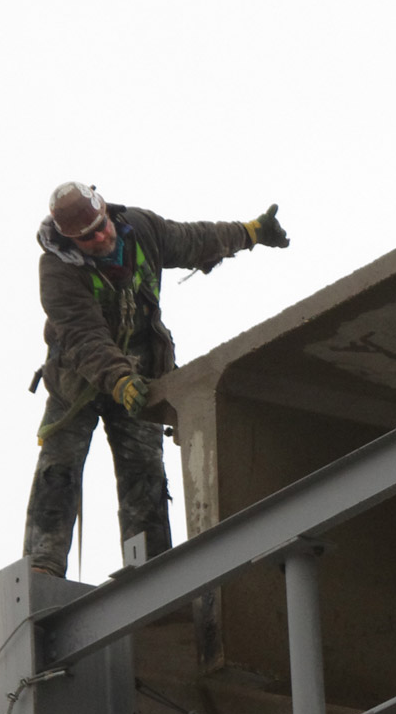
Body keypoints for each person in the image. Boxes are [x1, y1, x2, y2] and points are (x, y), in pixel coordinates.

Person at [24, 182, 287, 576]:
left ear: (106, 211)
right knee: (59, 469)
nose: (101, 236)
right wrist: (118, 380)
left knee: (144, 474)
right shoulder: (58, 270)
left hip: (144, 374)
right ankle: (43, 568)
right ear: (70, 240)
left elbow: (195, 239)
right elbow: (84, 338)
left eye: (101, 225)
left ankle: (150, 567)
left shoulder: (140, 230)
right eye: (88, 236)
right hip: (77, 384)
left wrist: (250, 233)